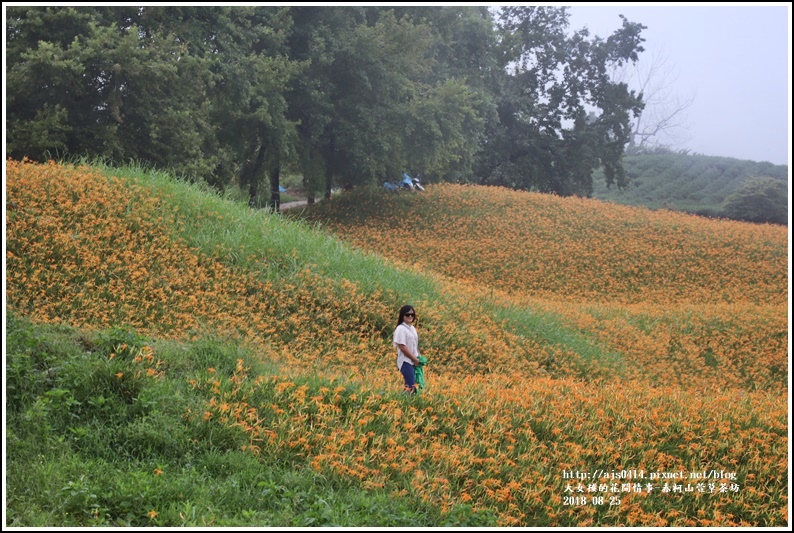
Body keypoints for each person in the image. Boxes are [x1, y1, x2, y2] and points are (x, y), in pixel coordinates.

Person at [393, 305, 421, 394]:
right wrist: (414, 358)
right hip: (406, 361)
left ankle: (407, 403)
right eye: (407, 314)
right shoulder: (400, 328)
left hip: (413, 360)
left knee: (414, 386)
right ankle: (404, 403)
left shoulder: (412, 328)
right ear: (402, 316)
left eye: (412, 314)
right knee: (410, 386)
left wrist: (419, 357)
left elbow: (414, 345)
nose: (410, 316)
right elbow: (402, 347)